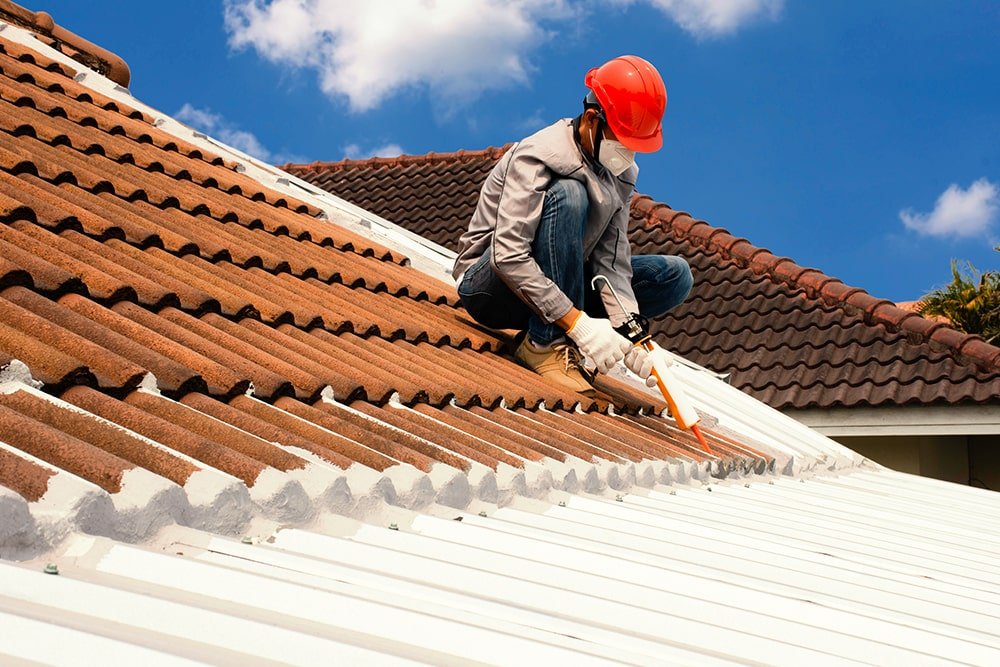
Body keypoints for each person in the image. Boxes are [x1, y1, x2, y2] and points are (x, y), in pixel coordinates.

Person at [453, 55, 693, 396]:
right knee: (569, 194)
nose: (628, 155)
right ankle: (544, 343)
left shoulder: (621, 173)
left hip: (559, 281)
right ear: (593, 119)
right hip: (491, 286)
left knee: (673, 275)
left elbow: (611, 262)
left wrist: (634, 336)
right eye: (623, 141)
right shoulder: (538, 155)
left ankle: (563, 324)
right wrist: (578, 326)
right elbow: (507, 256)